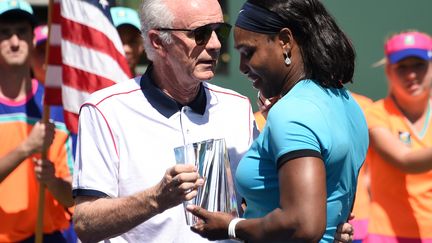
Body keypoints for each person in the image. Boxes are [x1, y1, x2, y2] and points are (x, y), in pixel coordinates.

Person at [72, 0, 258, 242]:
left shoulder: (238, 107)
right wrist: (156, 199)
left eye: (219, 31)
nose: (215, 44)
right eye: (200, 34)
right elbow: (85, 223)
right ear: (157, 42)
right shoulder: (105, 110)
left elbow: (261, 202)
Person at [187, 0, 369, 242]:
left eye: (248, 52)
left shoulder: (292, 112)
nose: (242, 66)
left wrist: (231, 226)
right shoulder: (347, 103)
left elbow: (303, 225)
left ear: (284, 41)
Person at [0, 0, 75, 242]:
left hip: (50, 237)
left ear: (33, 40)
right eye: (4, 33)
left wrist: (53, 182)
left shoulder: (54, 108)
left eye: (21, 33)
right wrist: (25, 149)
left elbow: (74, 197)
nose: (14, 42)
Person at [364, 31, 432, 242]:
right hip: (385, 236)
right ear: (388, 71)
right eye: (402, 67)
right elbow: (405, 161)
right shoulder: (376, 114)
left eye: (418, 65)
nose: (411, 74)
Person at [110, 6, 145, 77]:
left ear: (142, 45)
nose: (126, 49)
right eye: (118, 41)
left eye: (132, 42)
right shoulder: (88, 86)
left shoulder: (150, 86)